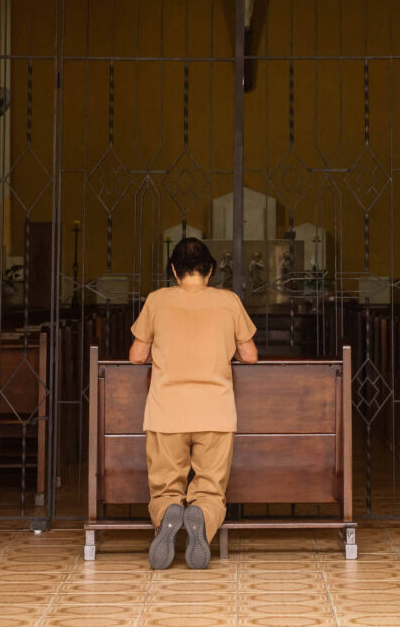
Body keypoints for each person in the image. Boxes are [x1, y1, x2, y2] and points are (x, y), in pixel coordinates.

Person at [130, 237, 258, 570]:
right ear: (211, 270)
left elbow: (136, 356)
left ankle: (168, 510)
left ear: (173, 270)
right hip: (215, 411)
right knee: (211, 486)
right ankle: (200, 513)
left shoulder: (157, 301)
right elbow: (250, 355)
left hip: (166, 410)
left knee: (164, 484)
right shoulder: (228, 301)